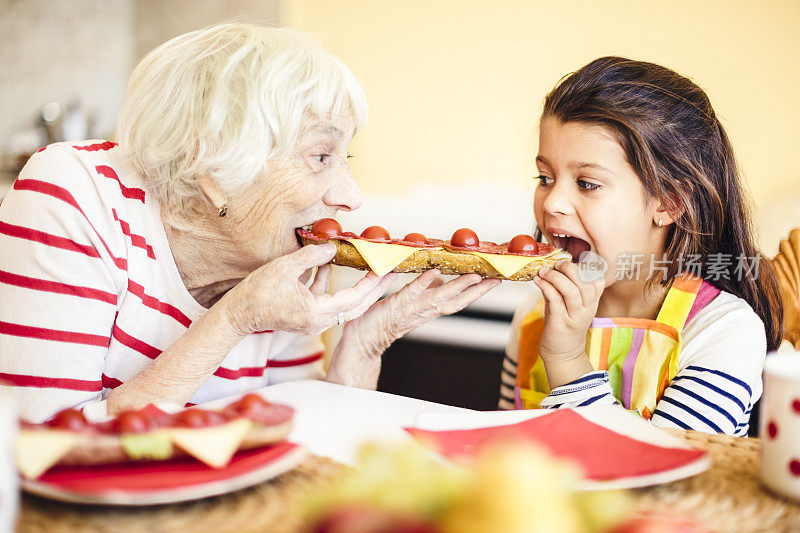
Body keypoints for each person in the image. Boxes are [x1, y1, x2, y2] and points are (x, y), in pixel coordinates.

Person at [0, 23, 499, 423]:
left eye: (346, 156)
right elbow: (39, 452)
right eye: (321, 156)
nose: (352, 196)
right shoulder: (73, 193)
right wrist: (235, 318)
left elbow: (300, 442)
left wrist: (367, 342)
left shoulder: (273, 255)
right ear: (213, 170)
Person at [499, 57, 783, 436]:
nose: (551, 203)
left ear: (668, 202)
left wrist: (566, 356)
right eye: (545, 177)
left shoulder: (724, 330)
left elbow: (664, 476)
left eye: (587, 183)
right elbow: (501, 448)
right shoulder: (534, 316)